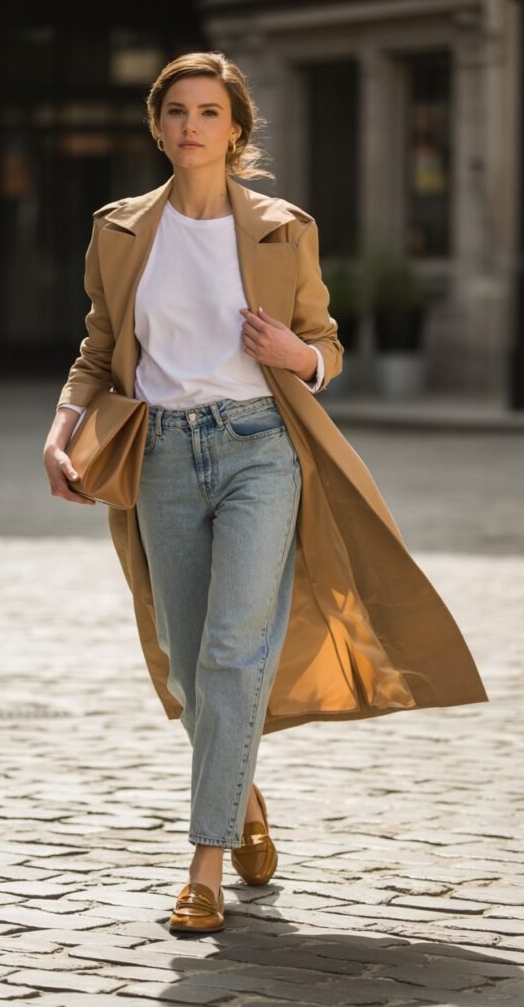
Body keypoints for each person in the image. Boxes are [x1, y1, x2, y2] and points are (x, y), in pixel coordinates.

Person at [43, 51, 488, 936]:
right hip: (161, 455)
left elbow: (323, 342)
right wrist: (61, 432)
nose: (191, 127)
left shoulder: (286, 227)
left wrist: (303, 359)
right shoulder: (121, 229)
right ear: (158, 124)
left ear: (235, 129)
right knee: (182, 651)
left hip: (260, 450)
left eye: (209, 112)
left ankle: (203, 865)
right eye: (176, 111)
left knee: (233, 650)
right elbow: (98, 349)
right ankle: (243, 797)